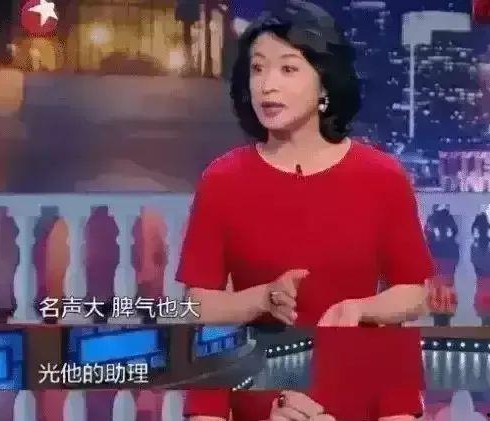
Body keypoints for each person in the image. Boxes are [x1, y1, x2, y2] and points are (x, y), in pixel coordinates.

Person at [176, 1, 434, 420]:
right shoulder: (222, 180)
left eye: (288, 69)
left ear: (324, 83)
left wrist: (360, 309)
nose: (267, 85)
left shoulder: (382, 177)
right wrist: (262, 298)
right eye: (257, 69)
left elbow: (414, 293)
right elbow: (199, 305)